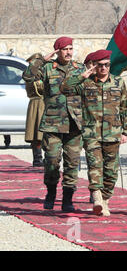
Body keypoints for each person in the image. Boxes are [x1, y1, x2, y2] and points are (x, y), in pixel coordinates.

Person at [61, 50, 127, 216]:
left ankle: (105, 199)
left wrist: (126, 131)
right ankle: (97, 197)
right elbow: (64, 88)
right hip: (91, 133)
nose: (104, 68)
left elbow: (125, 108)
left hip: (113, 133)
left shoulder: (118, 82)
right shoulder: (86, 83)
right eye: (100, 65)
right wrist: (82, 76)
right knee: (95, 166)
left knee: (111, 170)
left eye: (107, 65)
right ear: (94, 66)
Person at [29, 36, 84, 212]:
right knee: (52, 161)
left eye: (70, 49)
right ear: (57, 51)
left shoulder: (79, 69)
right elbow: (28, 76)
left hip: (74, 124)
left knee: (72, 162)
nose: (68, 52)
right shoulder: (47, 68)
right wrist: (39, 60)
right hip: (53, 124)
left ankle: (68, 198)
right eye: (65, 49)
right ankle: (51, 193)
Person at [22, 52, 56, 166]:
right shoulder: (31, 74)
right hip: (37, 103)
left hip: (46, 103)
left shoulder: (46, 71)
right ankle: (37, 158)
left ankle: (48, 157)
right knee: (36, 133)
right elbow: (38, 86)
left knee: (48, 133)